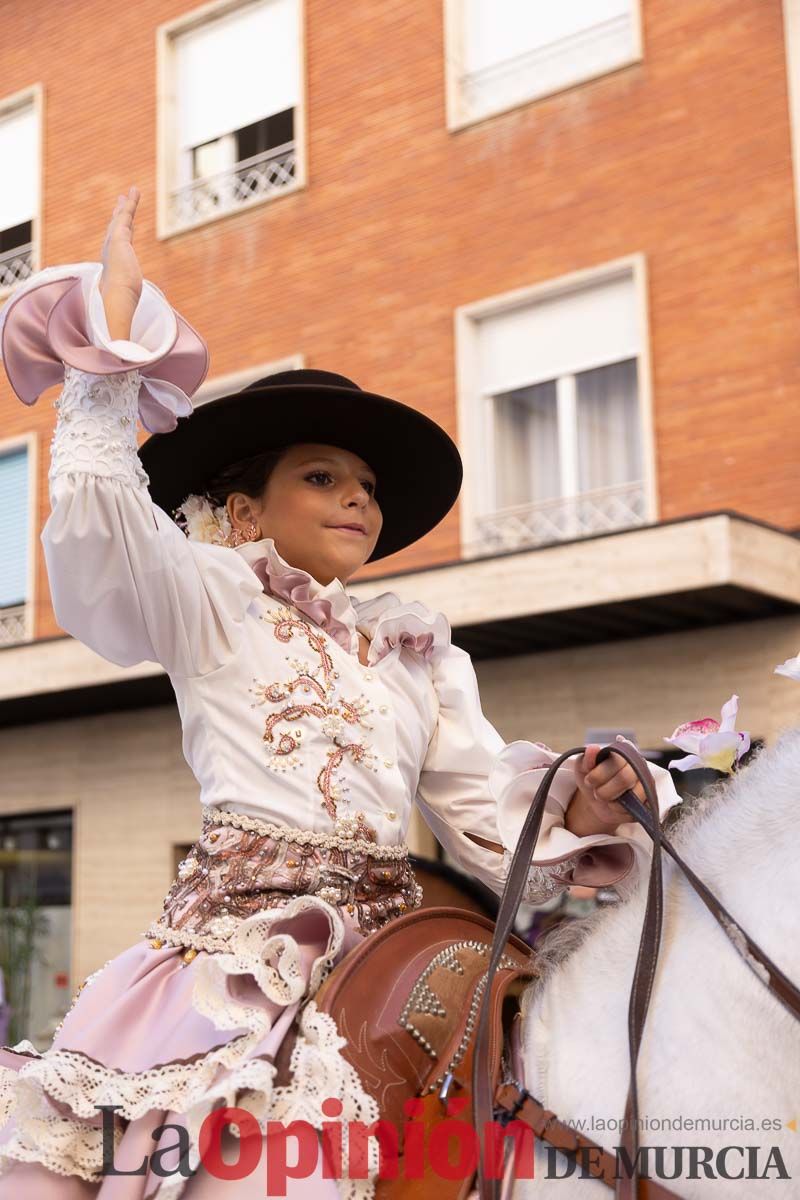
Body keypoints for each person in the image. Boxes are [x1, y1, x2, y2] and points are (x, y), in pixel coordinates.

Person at [0, 187, 681, 1198]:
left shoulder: (414, 655)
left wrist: (575, 803)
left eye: (363, 484)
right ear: (241, 511)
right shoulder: (213, 601)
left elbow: (486, 826)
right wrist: (107, 363)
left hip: (401, 965)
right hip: (238, 964)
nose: (358, 496)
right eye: (321, 477)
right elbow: (105, 533)